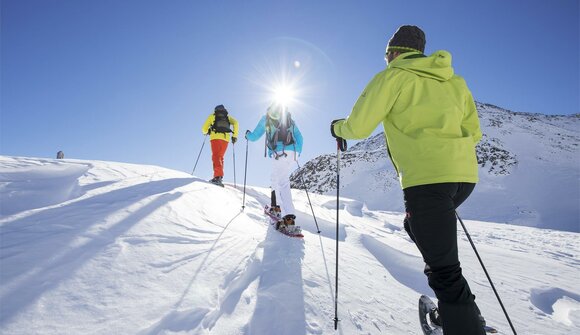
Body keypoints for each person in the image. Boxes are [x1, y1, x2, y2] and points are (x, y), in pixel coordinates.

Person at [330, 25, 485, 335]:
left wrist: (337, 128)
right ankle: (460, 312)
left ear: (392, 53)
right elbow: (475, 132)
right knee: (417, 229)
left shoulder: (393, 75)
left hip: (426, 181)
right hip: (463, 178)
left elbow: (358, 126)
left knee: (443, 268)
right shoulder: (455, 82)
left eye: (387, 55)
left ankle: (463, 325)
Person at [245, 103, 303, 229]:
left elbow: (254, 136)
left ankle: (282, 213)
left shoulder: (266, 118)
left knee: (279, 182)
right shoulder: (289, 119)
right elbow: (299, 137)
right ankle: (283, 212)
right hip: (292, 153)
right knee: (280, 181)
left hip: (279, 153)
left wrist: (247, 135)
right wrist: (297, 152)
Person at [201, 104, 239, 187]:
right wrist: (235, 136)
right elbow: (236, 123)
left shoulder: (212, 116)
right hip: (226, 139)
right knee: (220, 157)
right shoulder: (228, 117)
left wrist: (206, 132)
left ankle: (217, 177)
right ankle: (219, 176)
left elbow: (204, 129)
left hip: (215, 138)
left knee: (216, 156)